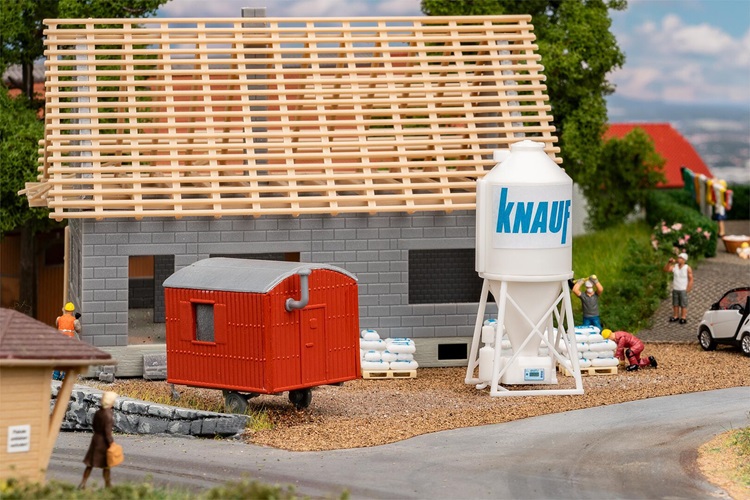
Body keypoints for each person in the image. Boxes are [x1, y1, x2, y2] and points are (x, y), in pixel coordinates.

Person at [79, 391, 118, 489]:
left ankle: (83, 483)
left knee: (90, 463)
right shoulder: (108, 415)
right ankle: (108, 484)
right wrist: (111, 443)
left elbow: (94, 425)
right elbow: (107, 432)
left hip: (96, 439)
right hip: (103, 442)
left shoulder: (98, 412)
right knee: (106, 464)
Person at [663, 253, 693, 324]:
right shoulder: (675, 267)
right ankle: (675, 316)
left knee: (683, 304)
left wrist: (688, 288)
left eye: (681, 258)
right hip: (675, 288)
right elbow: (666, 269)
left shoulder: (687, 268)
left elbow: (691, 279)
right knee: (675, 303)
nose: (679, 259)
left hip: (683, 289)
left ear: (684, 260)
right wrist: (669, 263)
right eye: (678, 258)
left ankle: (683, 317)